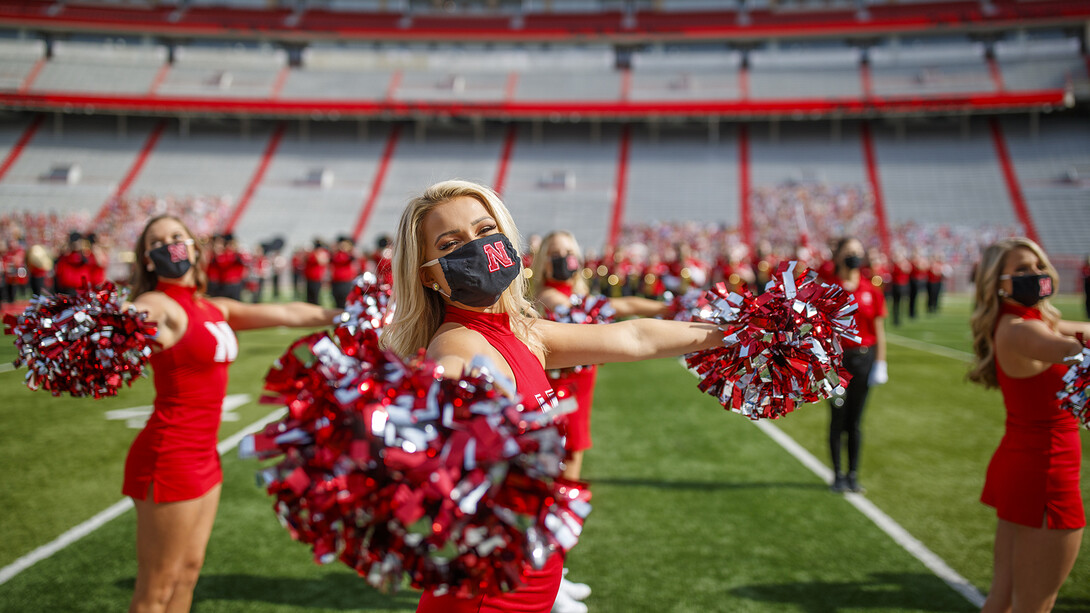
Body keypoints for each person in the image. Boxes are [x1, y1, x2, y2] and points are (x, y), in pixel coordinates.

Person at [381, 180, 725, 613]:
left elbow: (635, 336)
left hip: (530, 581)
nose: (477, 247)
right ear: (428, 274)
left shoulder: (526, 333)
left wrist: (735, 332)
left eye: (486, 230)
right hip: (489, 599)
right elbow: (441, 385)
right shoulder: (459, 344)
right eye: (452, 244)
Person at [124, 215, 341, 613]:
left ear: (192, 246)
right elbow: (136, 314)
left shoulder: (213, 308)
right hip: (169, 456)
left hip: (204, 457)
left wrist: (345, 316)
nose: (170, 244)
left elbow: (290, 314)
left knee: (188, 572)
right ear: (148, 261)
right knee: (156, 588)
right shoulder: (159, 304)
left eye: (177, 236)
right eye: (158, 242)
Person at [530, 230, 669, 612]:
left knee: (563, 495)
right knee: (559, 497)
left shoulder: (579, 298)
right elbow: (609, 314)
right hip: (558, 408)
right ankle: (547, 588)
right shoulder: (549, 298)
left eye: (569, 252)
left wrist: (664, 308)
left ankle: (555, 577)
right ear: (544, 260)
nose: (564, 259)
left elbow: (620, 305)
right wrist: (656, 313)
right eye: (556, 253)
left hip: (576, 404)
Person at [968, 237, 1090, 613]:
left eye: (1038, 266)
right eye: (1021, 270)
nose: (1035, 275)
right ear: (997, 283)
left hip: (1023, 465)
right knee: (1034, 606)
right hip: (1046, 473)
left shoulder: (1033, 320)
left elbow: (1077, 329)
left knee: (1002, 601)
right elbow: (1075, 349)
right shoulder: (1021, 329)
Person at [825, 237, 887, 495]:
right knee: (837, 418)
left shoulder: (870, 289)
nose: (854, 257)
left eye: (857, 253)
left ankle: (853, 474)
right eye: (849, 252)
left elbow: (879, 329)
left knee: (856, 421)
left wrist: (881, 362)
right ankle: (837, 474)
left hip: (864, 358)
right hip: (835, 361)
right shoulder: (828, 288)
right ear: (837, 255)